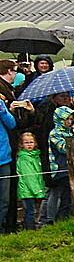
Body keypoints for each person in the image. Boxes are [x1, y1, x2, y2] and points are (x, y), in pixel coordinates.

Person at [46, 106, 74, 222]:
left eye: (71, 119)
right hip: (59, 167)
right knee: (58, 194)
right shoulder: (55, 133)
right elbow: (64, 148)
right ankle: (52, 219)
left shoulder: (70, 132)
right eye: (66, 119)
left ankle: (62, 218)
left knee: (67, 195)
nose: (69, 122)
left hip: (69, 167)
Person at [16, 132, 45, 229]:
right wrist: (37, 190)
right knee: (30, 211)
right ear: (22, 144)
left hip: (35, 186)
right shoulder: (24, 158)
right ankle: (30, 229)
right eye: (26, 142)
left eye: (31, 142)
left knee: (33, 210)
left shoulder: (36, 156)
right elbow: (29, 176)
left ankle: (30, 227)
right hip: (27, 189)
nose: (29, 144)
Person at [0, 96, 17, 233]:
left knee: (4, 199)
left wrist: (2, 110)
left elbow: (12, 124)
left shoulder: (0, 104)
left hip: (4, 158)